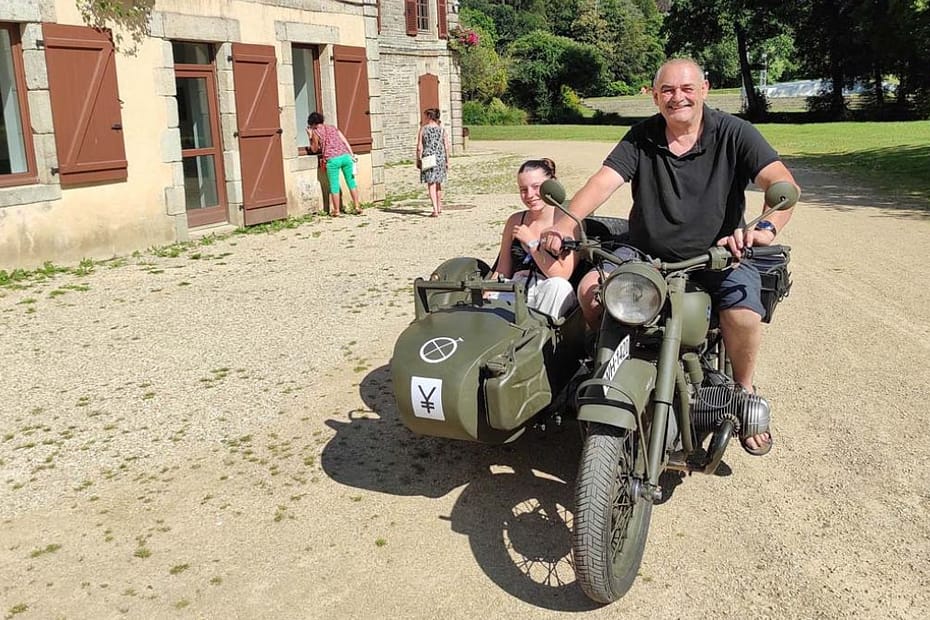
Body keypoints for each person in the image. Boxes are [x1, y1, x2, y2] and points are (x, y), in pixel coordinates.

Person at [542, 58, 800, 456]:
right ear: (655, 96)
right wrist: (564, 225)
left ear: (704, 90)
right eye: (667, 90)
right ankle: (605, 364)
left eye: (686, 89)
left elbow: (781, 183)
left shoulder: (735, 133)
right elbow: (601, 183)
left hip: (718, 254)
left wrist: (764, 228)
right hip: (645, 252)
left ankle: (744, 391)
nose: (677, 97)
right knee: (592, 290)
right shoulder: (641, 137)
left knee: (743, 314)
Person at [488, 159, 578, 319]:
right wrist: (487, 291)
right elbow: (502, 269)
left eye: (536, 187)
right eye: (523, 190)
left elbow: (562, 274)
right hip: (515, 288)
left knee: (559, 286)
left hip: (547, 292)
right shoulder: (515, 220)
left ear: (551, 185)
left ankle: (541, 332)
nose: (529, 195)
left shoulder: (566, 222)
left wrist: (532, 243)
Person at [307, 112, 361, 217]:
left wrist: (310, 136)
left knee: (334, 185)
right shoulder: (332, 127)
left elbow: (314, 149)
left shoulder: (316, 132)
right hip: (346, 156)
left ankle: (336, 210)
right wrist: (351, 154)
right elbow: (344, 141)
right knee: (351, 182)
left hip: (332, 159)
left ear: (312, 123)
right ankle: (357, 206)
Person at [416, 108, 452, 217]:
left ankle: (435, 210)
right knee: (438, 183)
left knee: (431, 184)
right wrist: (447, 161)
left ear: (429, 117)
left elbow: (419, 147)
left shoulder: (423, 129)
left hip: (428, 158)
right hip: (440, 158)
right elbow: (446, 146)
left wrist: (418, 159)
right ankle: (439, 207)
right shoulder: (442, 130)